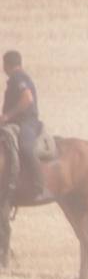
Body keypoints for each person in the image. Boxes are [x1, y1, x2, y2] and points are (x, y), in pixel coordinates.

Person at [1, 50, 45, 203]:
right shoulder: (15, 79)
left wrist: (7, 116)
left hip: (27, 122)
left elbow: (27, 98)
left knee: (25, 146)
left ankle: (39, 183)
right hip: (16, 122)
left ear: (6, 65)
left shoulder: (18, 78)